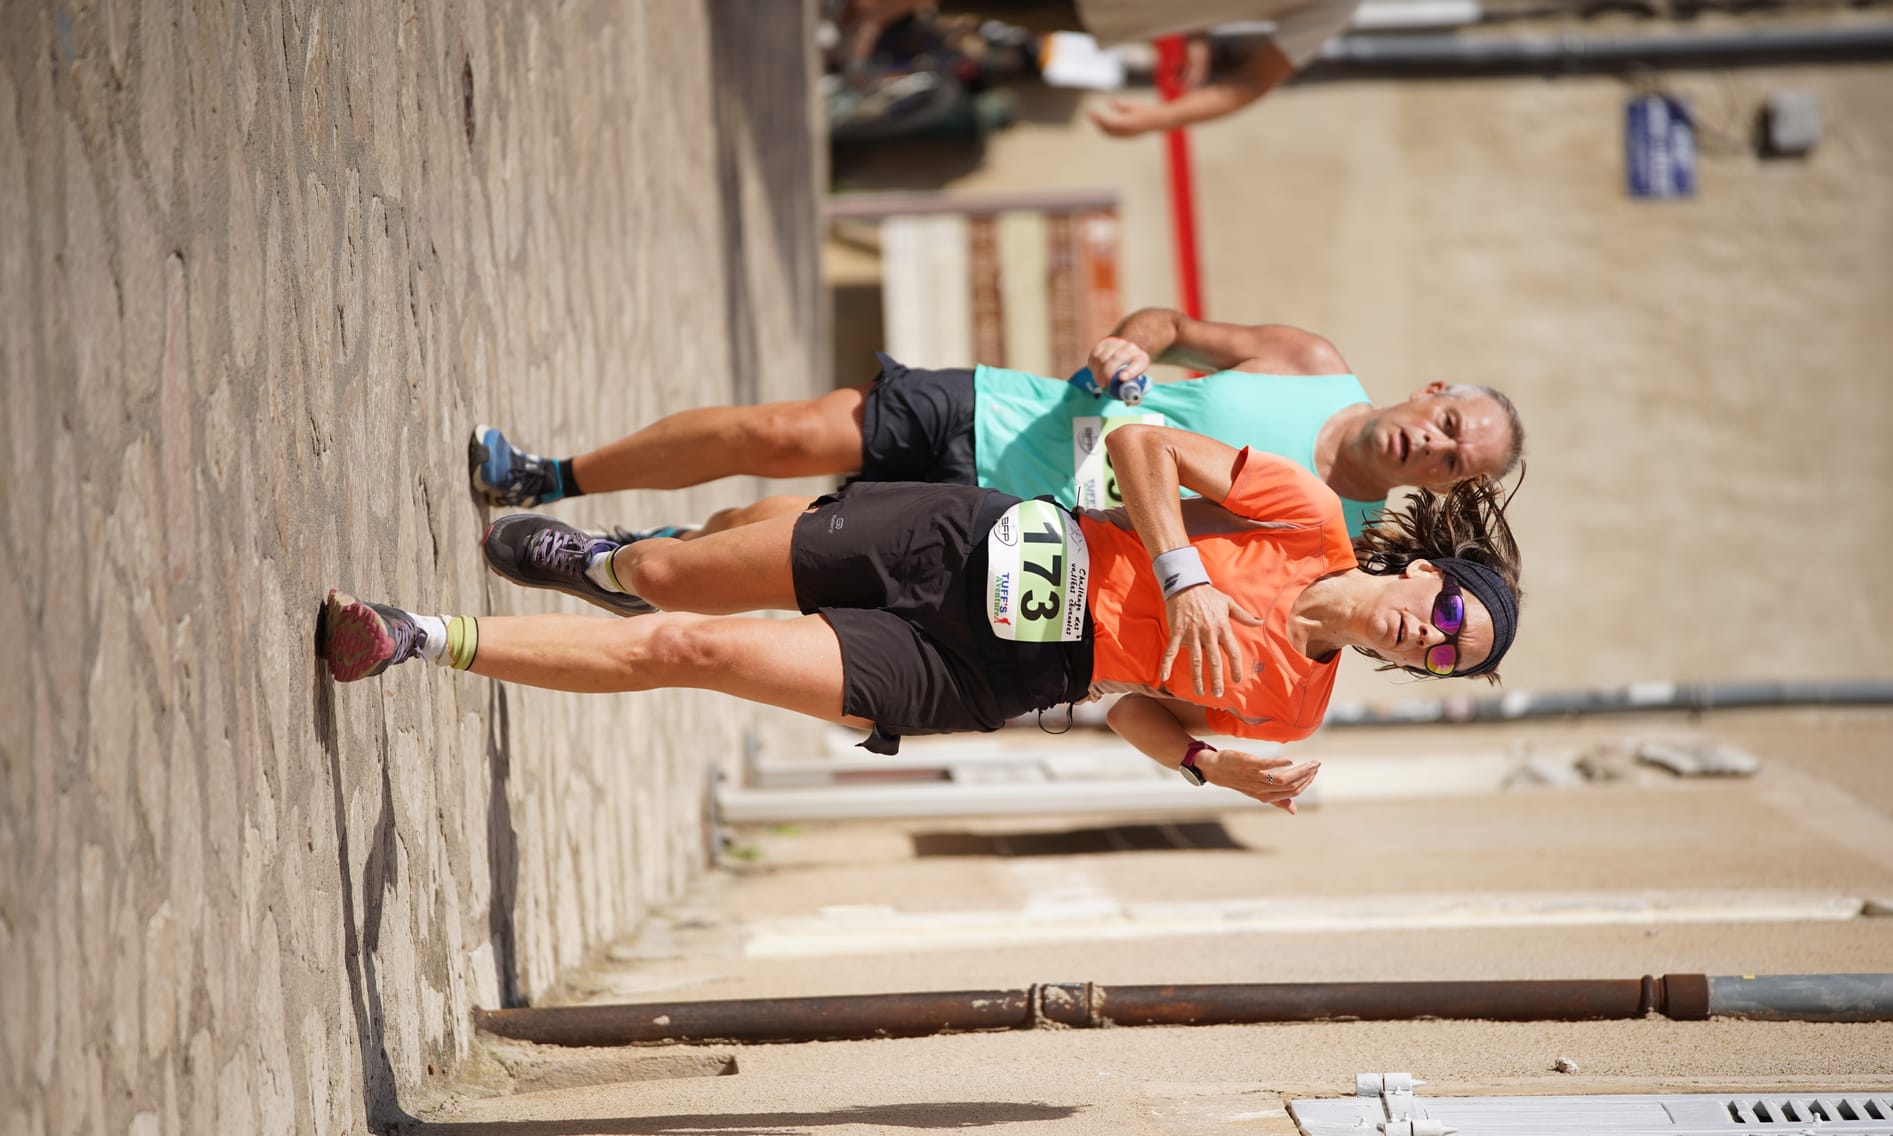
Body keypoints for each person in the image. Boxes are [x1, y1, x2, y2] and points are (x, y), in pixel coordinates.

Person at [323, 422, 1521, 808]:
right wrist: (1183, 575)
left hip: (989, 675)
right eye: (1447, 615)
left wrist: (1215, 764)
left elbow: (1128, 712)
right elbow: (1142, 444)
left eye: (1447, 658)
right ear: (1427, 575)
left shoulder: (1296, 696)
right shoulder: (1303, 513)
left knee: (697, 647)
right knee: (668, 583)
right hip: (983, 540)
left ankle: (412, 636)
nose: (1431, 638)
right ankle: (609, 557)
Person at [465, 306, 1525, 545]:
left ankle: (624, 562)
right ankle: (550, 476)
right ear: (1429, 391)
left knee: (780, 521)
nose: (1432, 445)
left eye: (1450, 460)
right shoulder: (1309, 362)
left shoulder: (1334, 529)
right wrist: (1128, 347)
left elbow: (1184, 557)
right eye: (1447, 421)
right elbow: (1165, 321)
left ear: (1442, 487)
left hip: (1019, 517)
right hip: (1013, 407)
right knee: (783, 432)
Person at [840, 2, 1363, 138]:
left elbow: (1251, 81)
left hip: (1101, 11)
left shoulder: (1332, 7)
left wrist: (1157, 118)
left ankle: (868, 18)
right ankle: (867, 19)